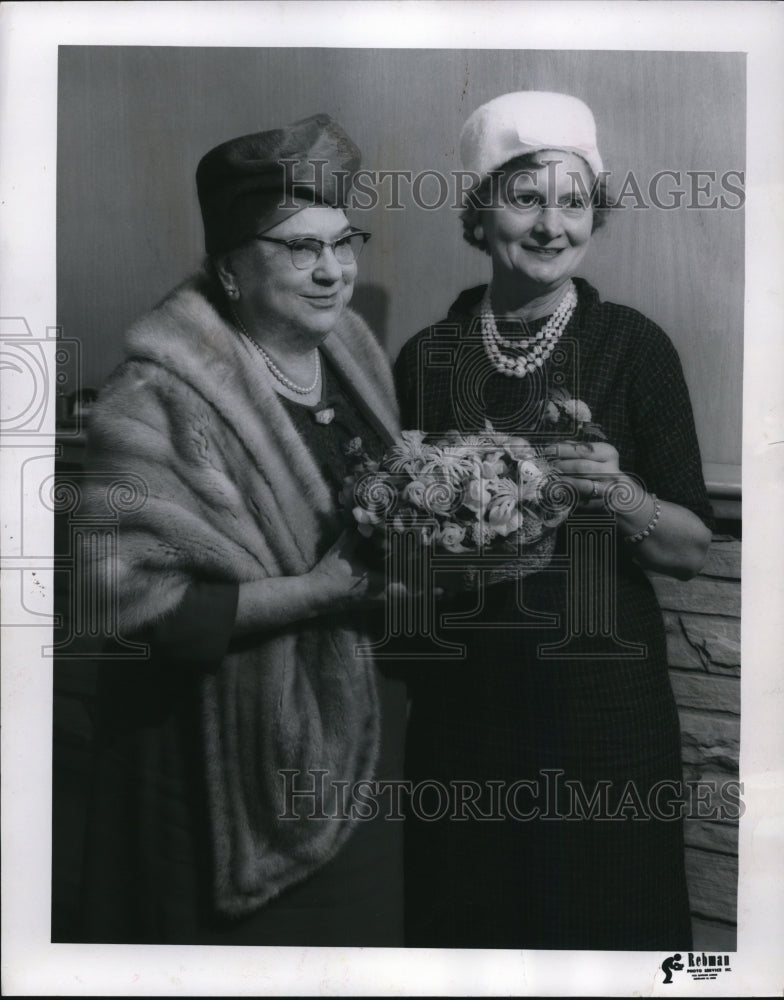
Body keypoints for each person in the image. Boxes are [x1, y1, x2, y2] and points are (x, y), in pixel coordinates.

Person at [78, 114, 407, 946]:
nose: (333, 271)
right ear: (229, 270)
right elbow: (127, 608)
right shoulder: (153, 399)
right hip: (215, 769)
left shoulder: (353, 357)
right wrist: (313, 593)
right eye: (300, 249)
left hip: (355, 734)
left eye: (342, 242)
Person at [395, 91, 713, 950]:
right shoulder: (427, 356)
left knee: (604, 935)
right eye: (525, 196)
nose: (550, 225)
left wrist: (620, 493)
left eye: (573, 202)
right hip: (461, 717)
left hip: (600, 719)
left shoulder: (631, 346)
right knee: (462, 943)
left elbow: (688, 549)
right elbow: (390, 553)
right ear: (478, 211)